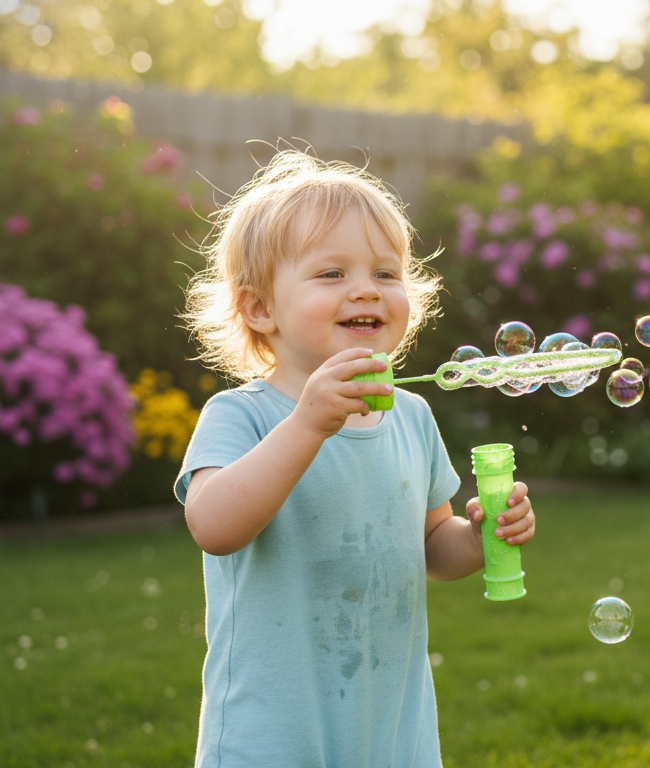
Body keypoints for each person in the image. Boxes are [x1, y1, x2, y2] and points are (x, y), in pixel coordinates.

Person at [176, 150, 535, 767]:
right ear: (260, 307)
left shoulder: (412, 417)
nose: (366, 288)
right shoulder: (242, 416)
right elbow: (214, 528)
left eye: (386, 273)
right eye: (331, 274)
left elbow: (431, 547)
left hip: (388, 724)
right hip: (274, 732)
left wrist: (477, 539)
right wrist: (309, 423)